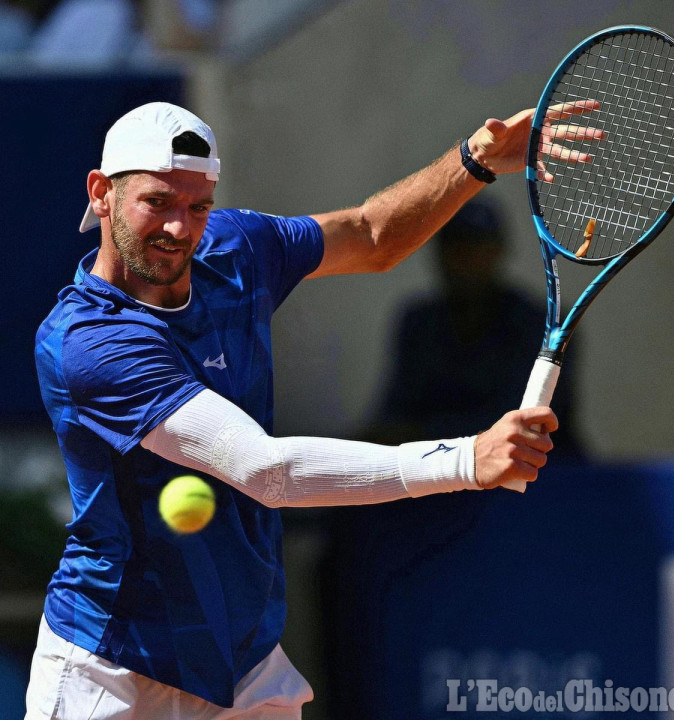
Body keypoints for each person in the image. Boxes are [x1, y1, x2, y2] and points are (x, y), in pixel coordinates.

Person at [27, 100, 602, 719]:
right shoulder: (88, 341)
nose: (180, 228)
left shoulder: (235, 249)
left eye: (198, 207)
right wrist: (465, 459)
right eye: (158, 202)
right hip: (113, 671)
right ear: (102, 194)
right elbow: (265, 471)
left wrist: (475, 161)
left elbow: (370, 234)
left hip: (245, 667)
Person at [365, 195, 583, 458]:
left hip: (541, 476)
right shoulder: (418, 321)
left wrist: (419, 434)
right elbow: (395, 410)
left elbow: (523, 418)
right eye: (455, 246)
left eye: (477, 246)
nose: (465, 258)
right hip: (440, 471)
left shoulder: (543, 325)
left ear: (499, 250)